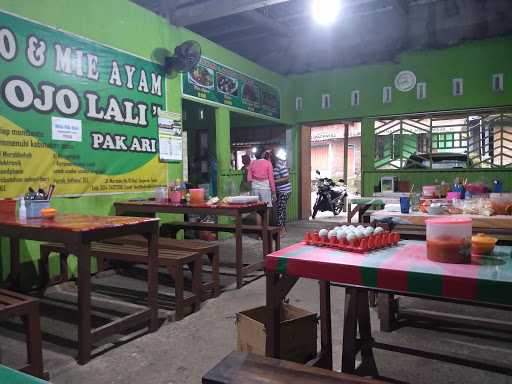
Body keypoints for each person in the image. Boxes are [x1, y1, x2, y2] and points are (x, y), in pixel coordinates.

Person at [247, 148, 276, 227]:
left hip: (254, 188)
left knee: (257, 211)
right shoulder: (268, 163)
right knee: (266, 210)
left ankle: (259, 233)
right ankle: (265, 232)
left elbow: (249, 178)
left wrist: (251, 189)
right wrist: (273, 192)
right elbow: (271, 179)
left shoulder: (252, 163)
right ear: (263, 154)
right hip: (265, 188)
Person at [272, 149, 292, 235]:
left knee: (280, 210)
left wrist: (274, 182)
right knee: (282, 209)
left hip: (285, 191)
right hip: (282, 191)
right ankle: (283, 227)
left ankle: (282, 230)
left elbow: (286, 178)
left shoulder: (280, 165)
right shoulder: (276, 165)